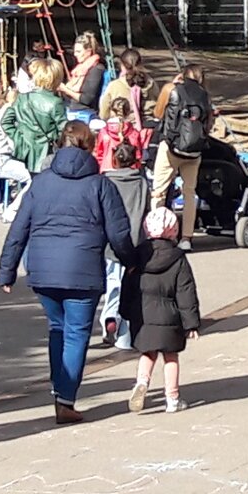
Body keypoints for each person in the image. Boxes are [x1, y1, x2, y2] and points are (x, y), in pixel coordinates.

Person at [0, 120, 138, 423]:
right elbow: (119, 231)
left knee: (57, 329)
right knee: (76, 335)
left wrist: (6, 271)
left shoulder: (41, 182)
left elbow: (19, 227)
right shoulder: (101, 184)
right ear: (90, 146)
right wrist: (132, 261)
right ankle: (65, 399)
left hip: (43, 270)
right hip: (83, 271)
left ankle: (58, 390)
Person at [123, 207, 201, 412]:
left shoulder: (137, 256)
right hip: (170, 316)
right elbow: (186, 292)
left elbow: (128, 286)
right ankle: (172, 399)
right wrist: (191, 323)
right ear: (173, 231)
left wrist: (125, 312)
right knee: (171, 357)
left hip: (143, 315)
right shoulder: (178, 258)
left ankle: (142, 382)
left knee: (147, 353)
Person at [150, 58, 216, 247]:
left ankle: (158, 234)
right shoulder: (206, 96)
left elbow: (157, 113)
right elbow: (209, 125)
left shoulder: (171, 89)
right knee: (189, 193)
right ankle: (187, 237)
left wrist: (173, 83)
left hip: (171, 147)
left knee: (159, 192)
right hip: (194, 151)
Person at [99, 139, 151, 348]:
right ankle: (125, 336)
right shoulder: (141, 183)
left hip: (110, 242)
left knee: (113, 282)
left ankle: (109, 318)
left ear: (113, 159)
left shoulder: (105, 181)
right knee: (130, 289)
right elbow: (147, 209)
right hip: (135, 240)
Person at [4, 56, 70, 176]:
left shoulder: (22, 98)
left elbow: (6, 122)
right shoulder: (55, 102)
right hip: (48, 153)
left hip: (26, 152)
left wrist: (19, 138)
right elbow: (63, 131)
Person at [93, 88, 150, 170]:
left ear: (112, 111)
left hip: (108, 170)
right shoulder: (134, 133)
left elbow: (99, 154)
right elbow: (138, 155)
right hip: (130, 171)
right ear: (128, 112)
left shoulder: (104, 132)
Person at [62, 34, 108, 117]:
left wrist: (65, 90)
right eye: (75, 51)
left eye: (78, 51)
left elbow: (87, 99)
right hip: (71, 108)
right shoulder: (79, 68)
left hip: (85, 113)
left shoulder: (96, 69)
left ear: (88, 52)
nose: (75, 54)